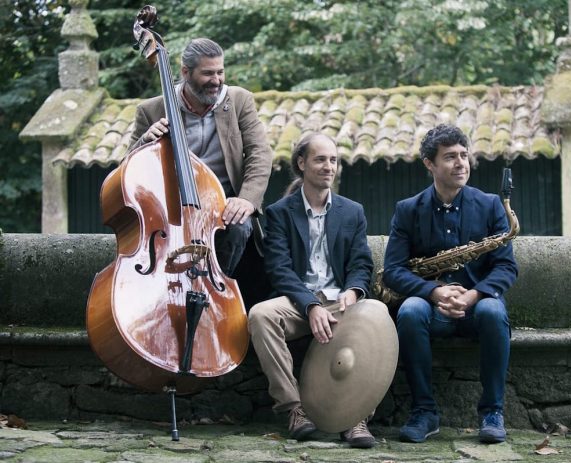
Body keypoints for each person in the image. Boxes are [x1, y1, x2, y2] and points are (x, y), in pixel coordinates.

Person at [382, 124, 518, 444]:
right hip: (433, 309)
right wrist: (434, 291)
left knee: (494, 311)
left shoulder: (490, 205)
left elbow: (506, 266)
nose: (461, 164)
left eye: (464, 155)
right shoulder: (407, 210)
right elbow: (393, 270)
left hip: (476, 307)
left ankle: (492, 412)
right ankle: (424, 411)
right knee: (410, 310)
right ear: (429, 164)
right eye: (450, 157)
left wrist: (474, 295)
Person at [247, 133, 377, 448]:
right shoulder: (280, 212)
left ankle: (356, 416)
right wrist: (310, 305)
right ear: (302, 163)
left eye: (333, 160)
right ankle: (294, 409)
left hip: (340, 302)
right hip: (298, 302)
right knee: (261, 315)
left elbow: (361, 264)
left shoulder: (352, 211)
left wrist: (353, 291)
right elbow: (279, 269)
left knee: (377, 313)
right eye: (320, 159)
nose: (328, 166)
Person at [128, 37, 272, 277]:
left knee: (239, 228)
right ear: (186, 72)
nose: (216, 80)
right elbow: (126, 168)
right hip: (173, 211)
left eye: (220, 72)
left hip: (223, 205)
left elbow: (260, 153)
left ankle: (215, 286)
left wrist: (247, 199)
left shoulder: (239, 100)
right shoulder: (151, 110)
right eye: (207, 73)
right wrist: (145, 141)